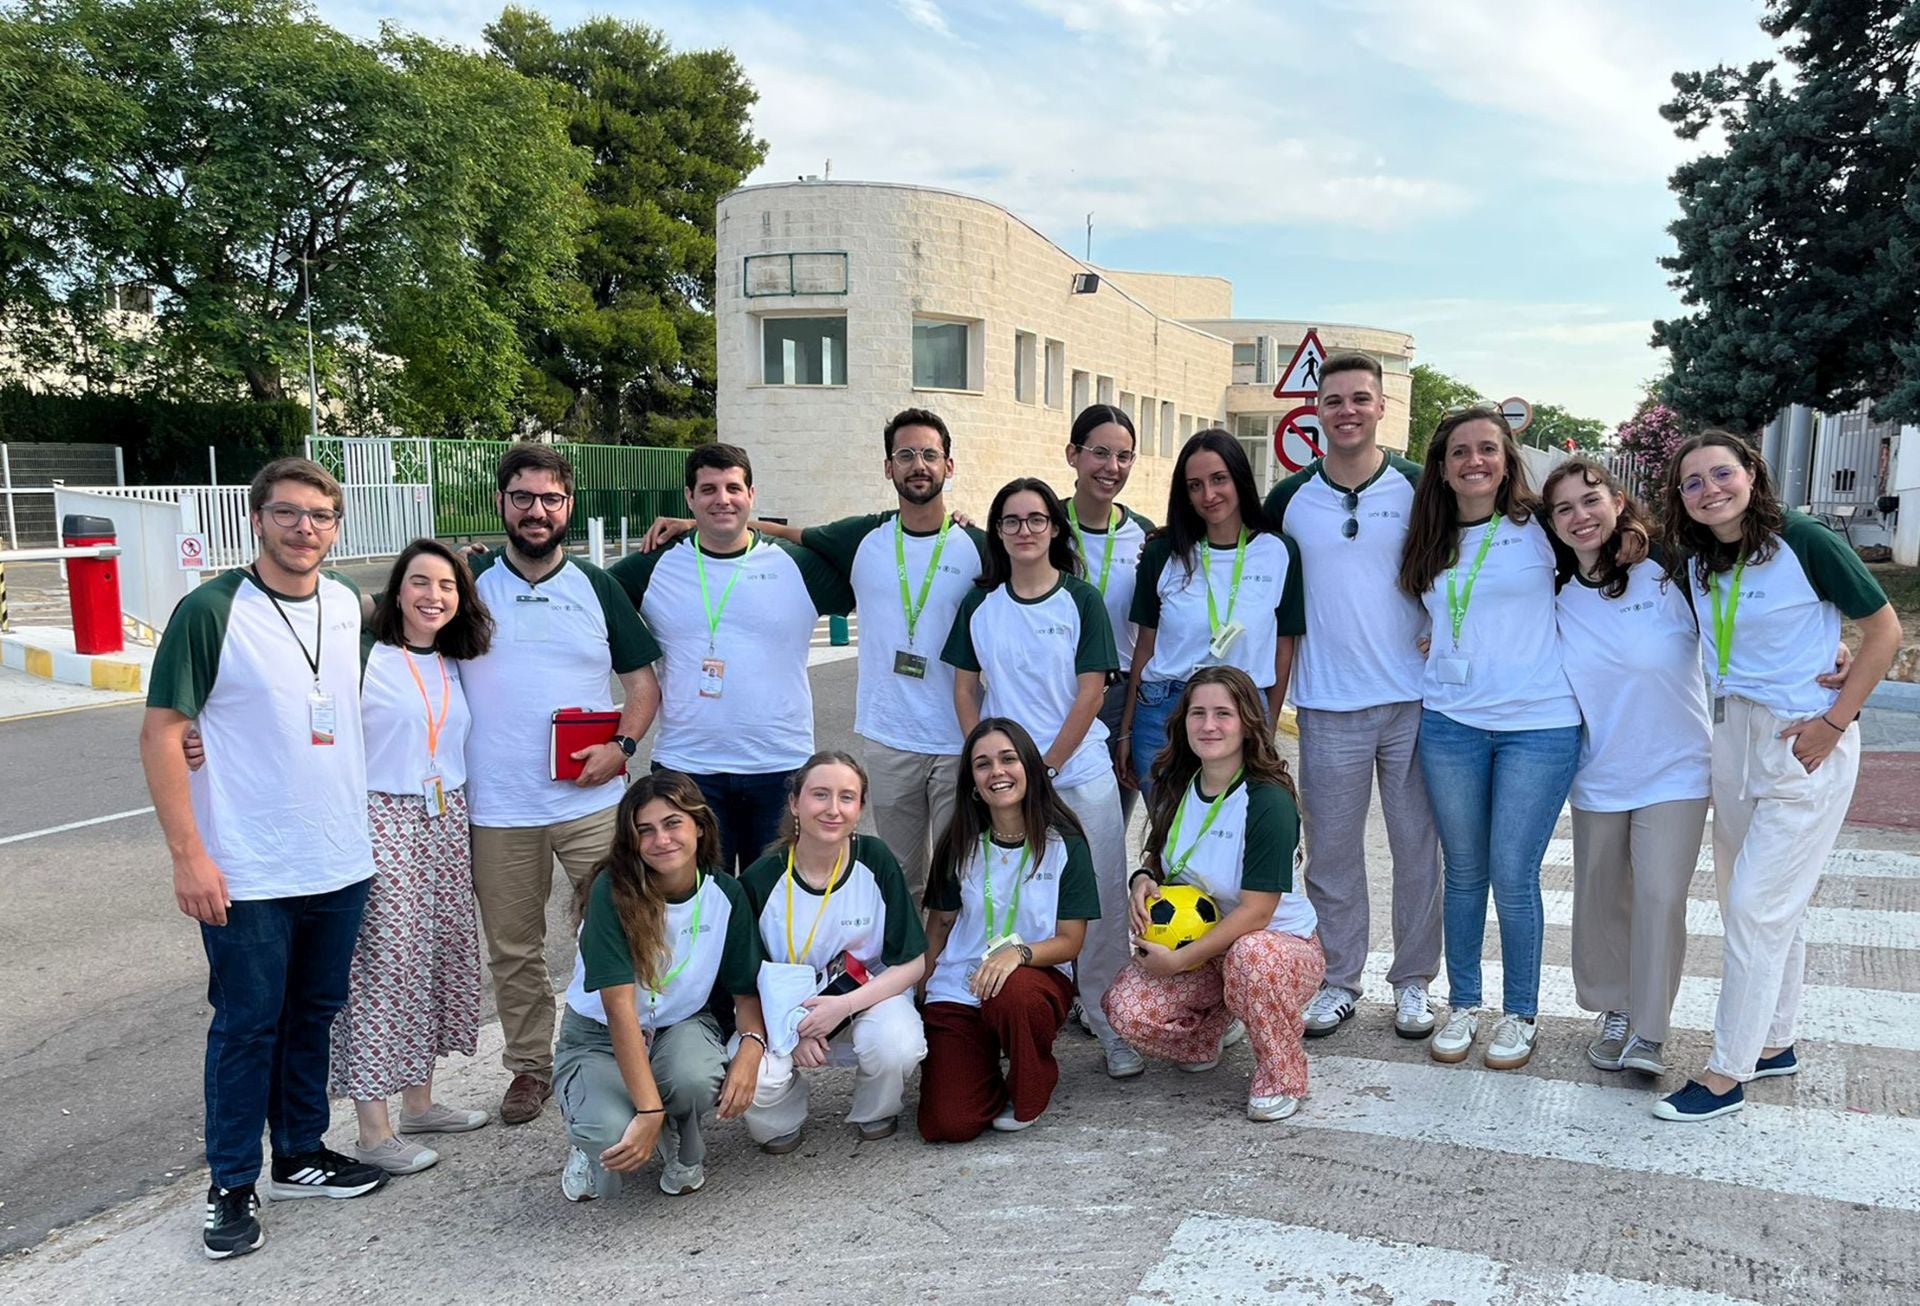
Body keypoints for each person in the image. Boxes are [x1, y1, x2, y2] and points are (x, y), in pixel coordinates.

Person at [140, 457, 387, 1261]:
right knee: (247, 1026)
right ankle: (232, 1183)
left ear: (337, 525)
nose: (304, 528)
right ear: (256, 519)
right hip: (246, 866)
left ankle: (301, 1154)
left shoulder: (348, 603)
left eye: (319, 515)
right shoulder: (212, 609)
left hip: (339, 859)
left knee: (313, 1016)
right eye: (287, 513)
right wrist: (189, 856)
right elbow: (161, 733)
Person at [1652, 431, 1898, 1122]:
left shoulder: (1805, 538)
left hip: (1802, 739)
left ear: (1751, 474)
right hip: (1730, 737)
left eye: (1721, 473)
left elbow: (1884, 631)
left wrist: (1837, 720)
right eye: (1692, 482)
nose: (1709, 490)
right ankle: (1775, 1041)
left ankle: (1726, 1072)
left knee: (1758, 909)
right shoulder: (1696, 557)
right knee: (1751, 904)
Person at [641, 411, 986, 901]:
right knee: (904, 877)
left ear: (949, 466)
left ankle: (961, 974)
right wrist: (699, 522)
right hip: (890, 738)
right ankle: (912, 976)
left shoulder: (980, 545)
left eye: (929, 454)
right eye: (906, 455)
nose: (918, 465)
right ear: (888, 467)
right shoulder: (862, 537)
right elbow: (798, 535)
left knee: (963, 876)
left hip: (959, 738)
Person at [461, 443, 664, 1126]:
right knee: (514, 947)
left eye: (550, 498)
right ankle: (528, 1068)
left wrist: (623, 746)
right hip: (498, 807)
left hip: (591, 801)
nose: (537, 510)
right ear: (501, 503)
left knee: (621, 925)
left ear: (569, 506)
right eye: (523, 497)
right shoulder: (467, 587)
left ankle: (631, 1042)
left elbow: (641, 685)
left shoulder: (595, 586)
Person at [1264, 353, 1441, 1042]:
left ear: (1380, 408)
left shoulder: (1421, 488)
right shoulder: (1288, 499)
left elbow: (1459, 568)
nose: (1346, 411)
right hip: (1326, 706)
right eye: (1333, 400)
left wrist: (1449, 633)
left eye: (1359, 399)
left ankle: (1414, 985)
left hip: (1414, 703)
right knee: (1332, 854)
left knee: (1417, 851)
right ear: (1316, 410)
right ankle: (1339, 981)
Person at [1399, 406, 1581, 1072]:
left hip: (1540, 725)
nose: (1475, 461)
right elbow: (1431, 613)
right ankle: (1465, 1003)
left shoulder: (1542, 527)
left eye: (1488, 450)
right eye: (1460, 452)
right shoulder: (1430, 537)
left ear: (1507, 460)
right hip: (1450, 723)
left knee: (1512, 873)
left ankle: (1521, 1012)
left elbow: (1611, 560)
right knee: (1465, 872)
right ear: (1442, 468)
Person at [941, 478, 1137, 1078]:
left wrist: (1046, 765)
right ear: (998, 532)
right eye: (1011, 520)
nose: (1024, 530)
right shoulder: (981, 606)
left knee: (1099, 903)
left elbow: (1090, 692)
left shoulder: (1079, 600)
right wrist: (989, 761)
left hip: (1076, 775)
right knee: (1013, 897)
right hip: (1009, 787)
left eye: (1036, 519)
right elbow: (966, 688)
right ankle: (1016, 1011)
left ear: (1055, 527)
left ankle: (1111, 1023)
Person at [611, 442, 855, 875]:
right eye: (708, 490)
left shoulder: (797, 565)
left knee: (778, 905)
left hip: (779, 767)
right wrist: (484, 563)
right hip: (689, 769)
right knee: (699, 904)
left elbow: (878, 564)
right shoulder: (655, 565)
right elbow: (582, 593)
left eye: (732, 488)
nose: (722, 499)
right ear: (689, 497)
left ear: (751, 495)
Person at [332, 541, 496, 1172]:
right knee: (385, 965)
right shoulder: (365, 657)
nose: (434, 596)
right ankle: (372, 1131)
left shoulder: (453, 661)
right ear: (395, 590)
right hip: (383, 816)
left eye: (448, 586)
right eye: (420, 582)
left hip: (445, 815)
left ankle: (419, 1103)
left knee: (437, 954)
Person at [1541, 460, 1709, 1079]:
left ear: (1616, 502)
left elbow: (1732, 627)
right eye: (1563, 509)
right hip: (1600, 774)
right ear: (1554, 525)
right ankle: (1613, 1009)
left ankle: (1650, 1030)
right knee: (1603, 900)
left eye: (1590, 501)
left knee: (1661, 897)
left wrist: (1825, 647)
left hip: (1678, 768)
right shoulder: (1555, 595)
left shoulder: (1669, 572)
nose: (1580, 516)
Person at [1105, 667, 1325, 1122]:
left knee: (1251, 957)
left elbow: (1257, 912)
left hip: (1277, 949)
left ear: (1247, 723)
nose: (1209, 725)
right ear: (1182, 721)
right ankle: (1215, 1029)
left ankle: (1281, 1073)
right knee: (1124, 1010)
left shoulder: (1267, 799)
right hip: (1206, 950)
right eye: (1198, 713)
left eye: (1223, 714)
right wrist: (1142, 880)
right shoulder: (1177, 783)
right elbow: (1162, 859)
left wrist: (1179, 961)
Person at [554, 772, 767, 1199]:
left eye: (673, 823)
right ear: (630, 840)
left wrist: (751, 1046)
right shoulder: (610, 892)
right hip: (600, 1035)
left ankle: (680, 1136)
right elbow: (619, 1011)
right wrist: (647, 1108)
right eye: (644, 830)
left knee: (693, 1077)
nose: (661, 840)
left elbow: (746, 992)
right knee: (608, 1134)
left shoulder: (725, 893)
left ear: (700, 827)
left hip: (679, 1025)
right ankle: (589, 1137)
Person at [917, 719, 1100, 1141]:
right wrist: (920, 991)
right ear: (972, 783)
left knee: (1013, 994)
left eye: (1008, 759)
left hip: (1031, 979)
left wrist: (1017, 954)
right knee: (949, 1123)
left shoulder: (1063, 843)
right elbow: (941, 923)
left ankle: (1031, 1085)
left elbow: (1071, 941)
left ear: (1030, 768)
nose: (996, 771)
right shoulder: (959, 842)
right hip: (960, 985)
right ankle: (973, 1065)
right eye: (982, 765)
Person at [739, 752, 928, 1149]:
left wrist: (843, 1007)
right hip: (784, 1011)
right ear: (794, 802)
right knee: (756, 1076)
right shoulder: (762, 877)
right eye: (819, 795)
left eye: (847, 797)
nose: (833, 809)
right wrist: (794, 1030)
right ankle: (781, 1117)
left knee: (898, 1043)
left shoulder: (875, 860)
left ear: (860, 808)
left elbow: (912, 963)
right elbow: (748, 979)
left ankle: (877, 1108)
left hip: (865, 996)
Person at [1123, 430, 1303, 799]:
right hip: (1163, 712)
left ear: (1239, 477)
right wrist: (1126, 728)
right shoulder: (1163, 553)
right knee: (1168, 841)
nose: (1208, 495)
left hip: (1243, 710)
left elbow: (1284, 649)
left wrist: (1266, 728)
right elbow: (1145, 647)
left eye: (1219, 479)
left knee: (1231, 836)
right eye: (1195, 485)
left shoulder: (1279, 551)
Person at [1063, 404, 1157, 824]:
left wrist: (1130, 724)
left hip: (1118, 697)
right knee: (1045, 830)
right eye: (1100, 453)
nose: (1112, 467)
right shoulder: (1041, 525)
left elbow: (1153, 633)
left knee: (1106, 832)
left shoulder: (1146, 535)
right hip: (1054, 693)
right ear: (1073, 455)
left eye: (1124, 456)